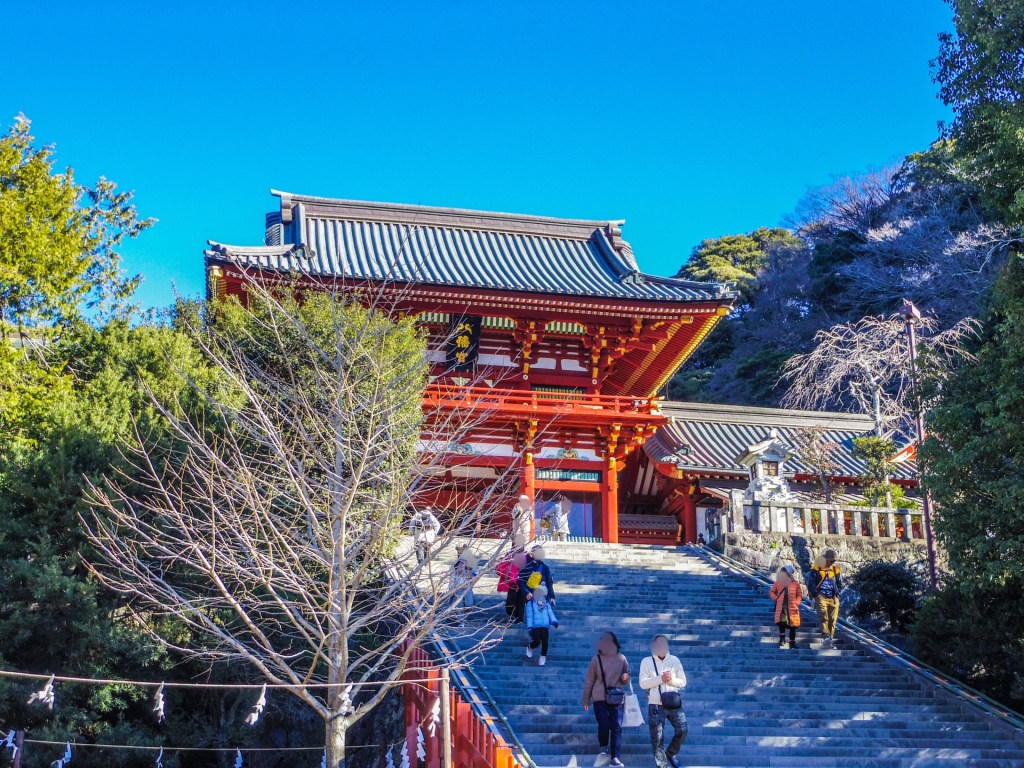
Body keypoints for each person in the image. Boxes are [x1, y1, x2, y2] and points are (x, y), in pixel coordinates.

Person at [583, 632, 631, 768]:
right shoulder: (596, 660)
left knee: (616, 727)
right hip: (599, 697)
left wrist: (625, 677)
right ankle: (603, 747)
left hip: (616, 696)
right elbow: (589, 680)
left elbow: (626, 675)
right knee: (604, 723)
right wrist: (586, 699)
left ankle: (615, 756)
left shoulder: (622, 659)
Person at [639, 635, 687, 768]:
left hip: (673, 703)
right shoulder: (646, 661)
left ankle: (671, 753)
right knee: (657, 738)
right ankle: (662, 766)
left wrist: (670, 679)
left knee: (683, 729)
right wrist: (661, 678)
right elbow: (643, 683)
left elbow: (683, 681)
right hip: (655, 705)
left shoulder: (675, 660)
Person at [807, 550, 845, 646]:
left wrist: (838, 593)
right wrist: (815, 595)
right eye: (831, 560)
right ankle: (825, 636)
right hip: (821, 594)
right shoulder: (816, 568)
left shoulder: (836, 569)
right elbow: (810, 583)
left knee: (833, 619)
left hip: (833, 596)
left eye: (833, 561)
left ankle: (829, 640)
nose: (832, 562)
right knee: (823, 616)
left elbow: (839, 583)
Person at [516, 546, 556, 623]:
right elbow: (520, 580)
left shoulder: (545, 568)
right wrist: (526, 592)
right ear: (532, 553)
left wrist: (552, 596)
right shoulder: (525, 566)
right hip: (529, 595)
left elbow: (549, 583)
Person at [769, 564, 802, 649]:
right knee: (782, 623)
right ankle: (782, 639)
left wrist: (797, 602)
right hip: (782, 607)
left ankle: (792, 643)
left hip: (792, 607)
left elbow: (799, 594)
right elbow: (772, 591)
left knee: (793, 626)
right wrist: (776, 598)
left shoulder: (795, 583)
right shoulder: (778, 582)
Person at [525, 584, 559, 666]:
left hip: (545, 625)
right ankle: (530, 647)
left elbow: (550, 613)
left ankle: (543, 657)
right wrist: (530, 626)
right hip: (536, 626)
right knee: (536, 641)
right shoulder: (531, 603)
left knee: (545, 642)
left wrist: (554, 621)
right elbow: (529, 616)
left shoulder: (546, 604)